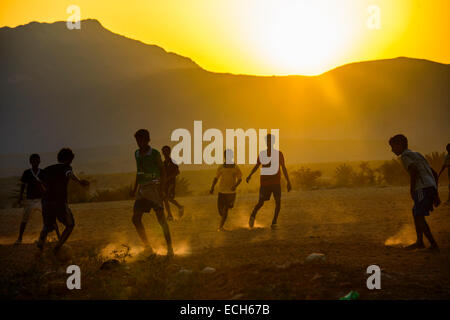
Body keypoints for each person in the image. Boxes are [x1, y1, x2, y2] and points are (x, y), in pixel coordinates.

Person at [389, 134, 440, 252]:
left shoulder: (405, 156)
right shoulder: (417, 154)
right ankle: (420, 242)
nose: (392, 150)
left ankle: (432, 244)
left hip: (421, 188)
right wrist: (435, 192)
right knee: (415, 212)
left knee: (418, 215)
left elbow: (413, 171)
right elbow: (434, 173)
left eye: (393, 147)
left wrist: (412, 189)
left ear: (400, 145)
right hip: (430, 186)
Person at [130, 129, 174, 257]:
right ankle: (148, 246)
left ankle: (170, 248)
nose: (139, 143)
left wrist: (162, 189)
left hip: (154, 188)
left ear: (148, 140)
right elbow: (139, 172)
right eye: (137, 141)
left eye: (142, 140)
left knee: (161, 220)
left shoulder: (154, 153)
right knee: (135, 219)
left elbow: (162, 171)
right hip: (142, 190)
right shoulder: (137, 153)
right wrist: (134, 189)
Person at [36, 148, 89, 253]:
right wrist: (79, 181)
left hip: (46, 201)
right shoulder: (66, 167)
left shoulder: (47, 169)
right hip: (59, 201)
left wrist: (45, 191)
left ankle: (41, 244)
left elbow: (39, 181)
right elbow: (69, 174)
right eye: (71, 159)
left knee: (47, 226)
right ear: (69, 159)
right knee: (70, 225)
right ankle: (57, 247)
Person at [246, 134, 291, 229]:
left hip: (276, 183)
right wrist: (250, 175)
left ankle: (274, 222)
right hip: (265, 184)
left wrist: (288, 181)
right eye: (268, 141)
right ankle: (253, 215)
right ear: (266, 142)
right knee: (261, 202)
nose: (269, 143)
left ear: (274, 142)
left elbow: (284, 168)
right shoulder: (262, 154)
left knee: (278, 202)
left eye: (271, 141)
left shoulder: (279, 154)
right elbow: (257, 166)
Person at [15, 154, 51, 244]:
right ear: (30, 162)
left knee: (46, 219)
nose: (36, 162)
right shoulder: (27, 173)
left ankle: (44, 238)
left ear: (39, 162)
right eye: (34, 161)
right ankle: (19, 238)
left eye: (37, 161)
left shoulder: (43, 172)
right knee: (24, 220)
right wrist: (20, 197)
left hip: (41, 200)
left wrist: (41, 183)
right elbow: (23, 186)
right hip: (29, 200)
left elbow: (46, 185)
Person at [210, 149, 242, 231]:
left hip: (231, 193)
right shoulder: (221, 167)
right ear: (224, 157)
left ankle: (220, 226)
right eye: (225, 156)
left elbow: (240, 179)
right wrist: (212, 187)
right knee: (220, 211)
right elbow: (216, 178)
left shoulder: (236, 167)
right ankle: (223, 220)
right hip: (221, 192)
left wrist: (235, 186)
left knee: (226, 209)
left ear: (231, 156)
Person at [161, 145, 184, 221]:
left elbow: (177, 172)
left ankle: (179, 207)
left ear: (169, 152)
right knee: (165, 199)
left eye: (166, 151)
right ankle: (170, 215)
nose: (165, 153)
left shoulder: (173, 162)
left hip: (171, 183)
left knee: (168, 198)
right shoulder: (163, 163)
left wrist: (168, 178)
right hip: (165, 184)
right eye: (164, 151)